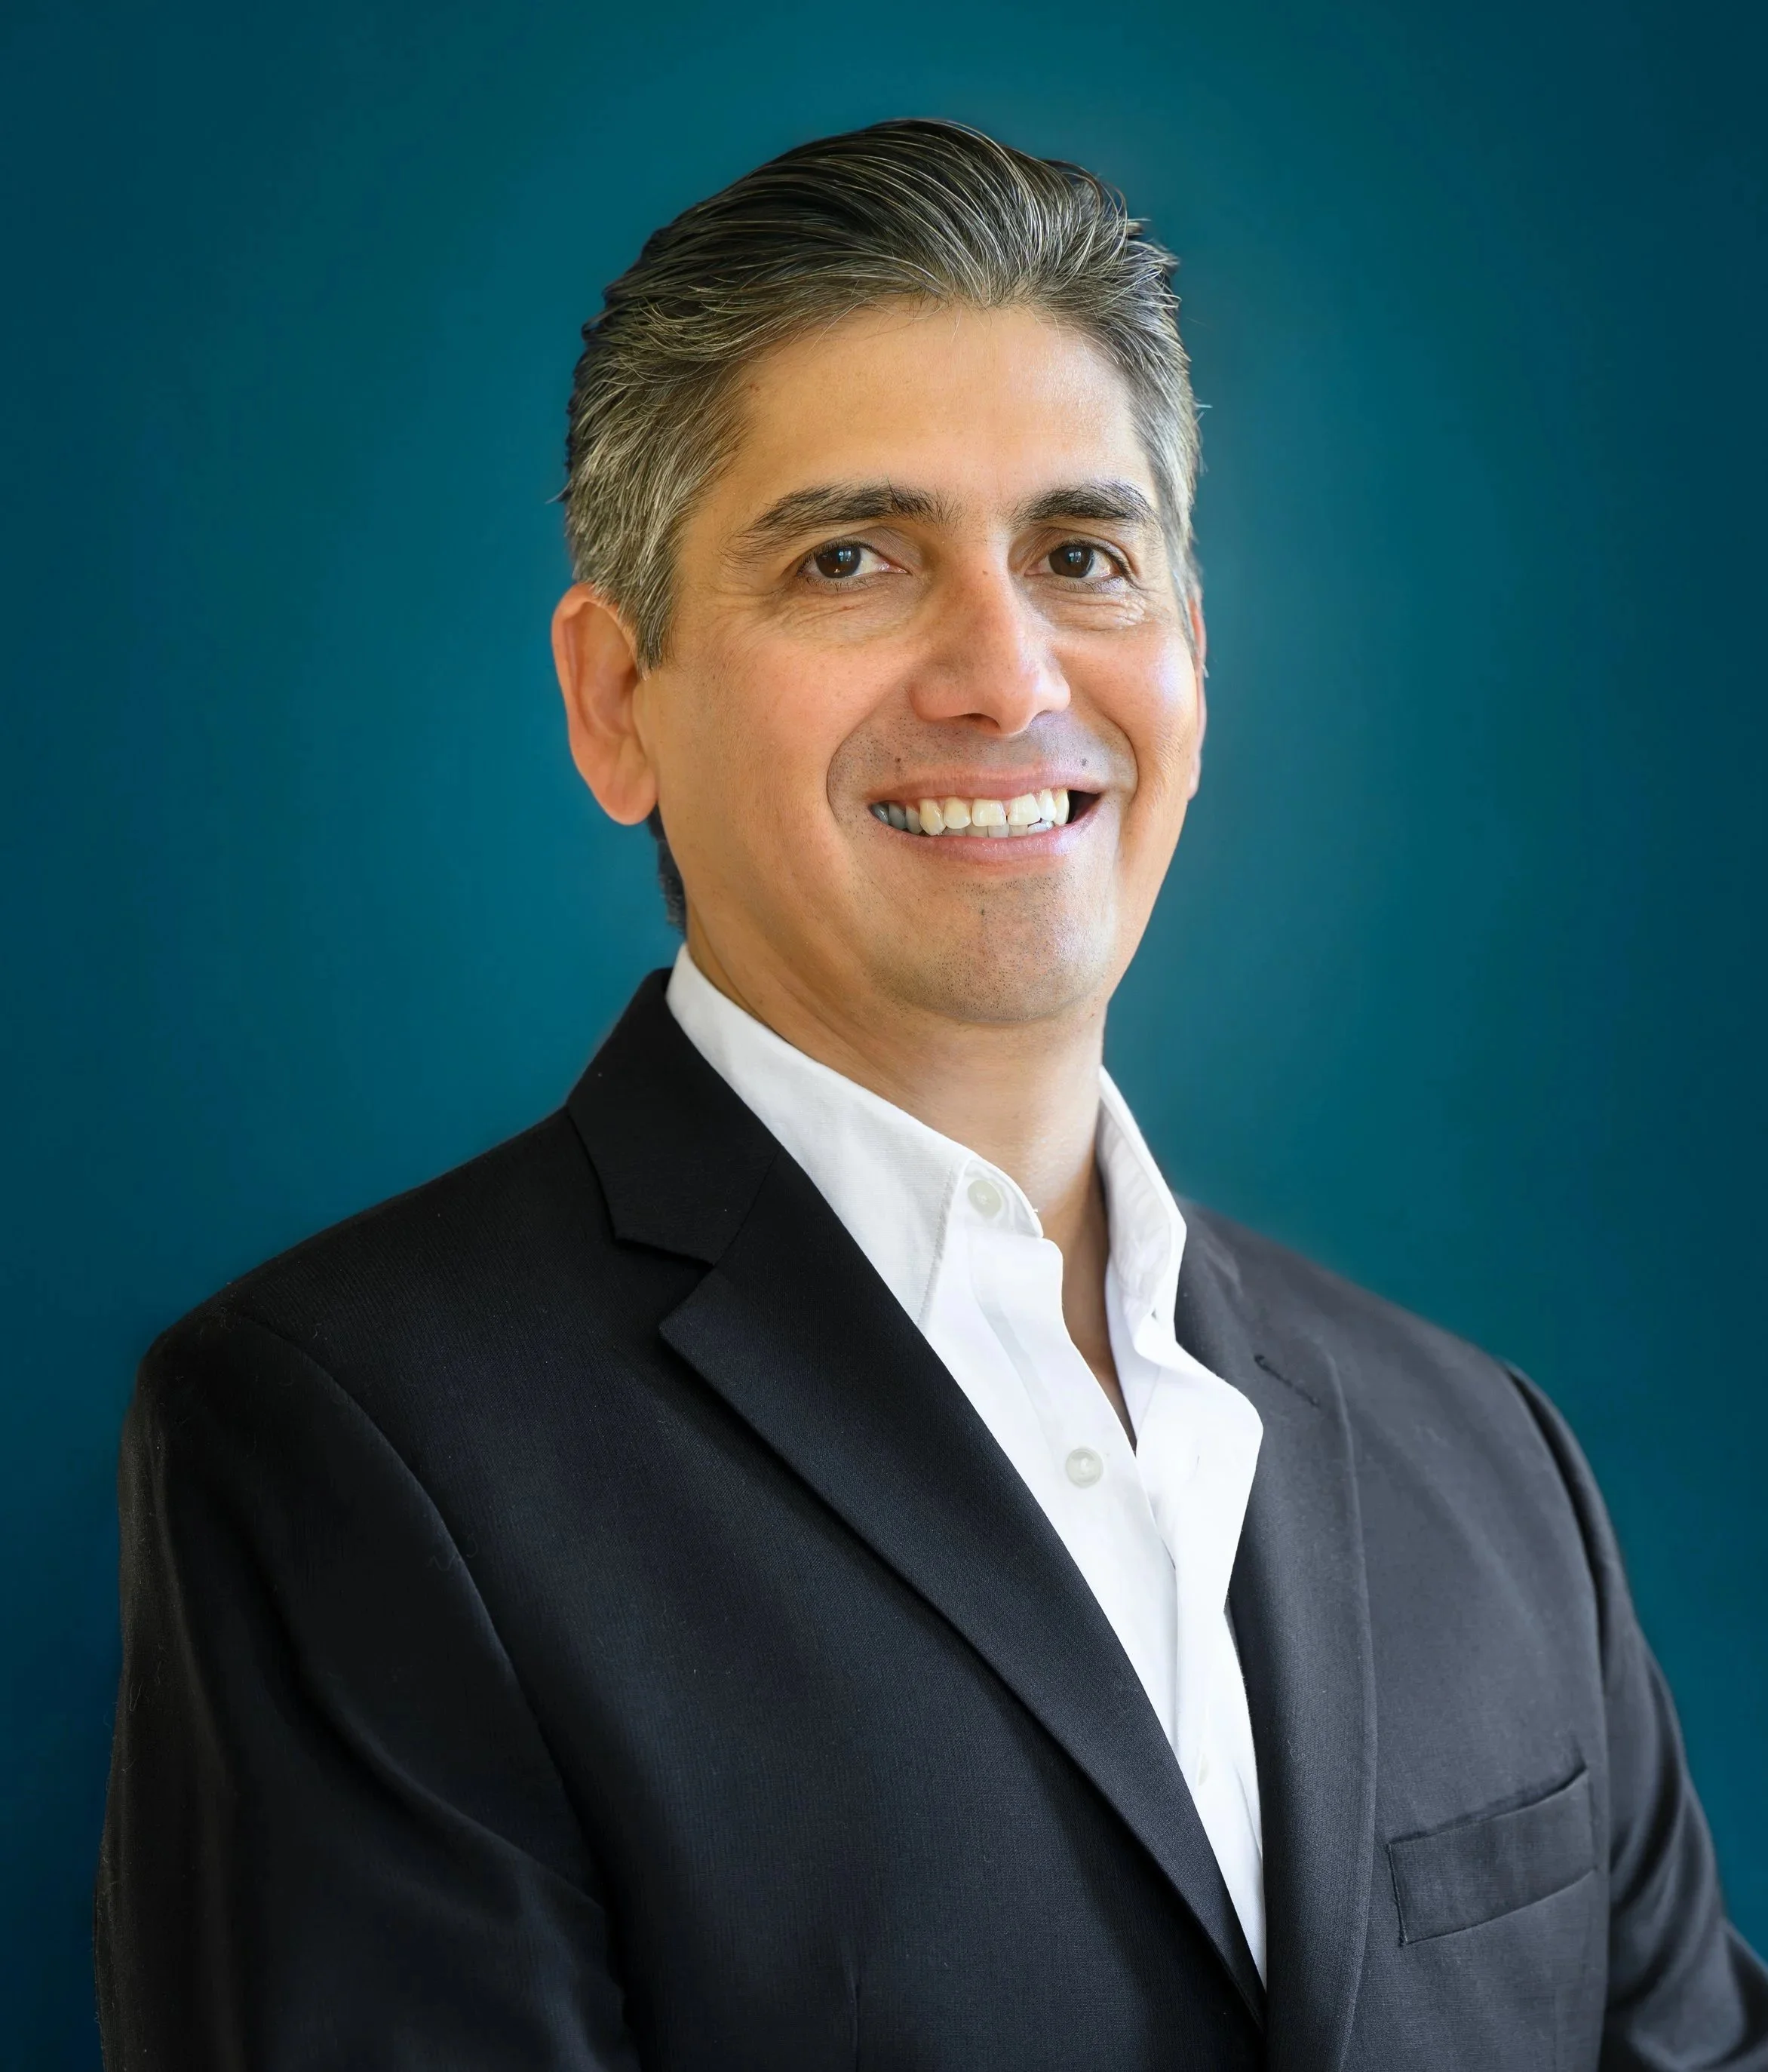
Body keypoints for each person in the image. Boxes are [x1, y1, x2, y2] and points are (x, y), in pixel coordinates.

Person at [96, 119, 1767, 2070]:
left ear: (1195, 662)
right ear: (615, 700)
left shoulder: (1487, 1461)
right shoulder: (356, 1439)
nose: (1004, 670)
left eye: (1083, 554)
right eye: (853, 558)